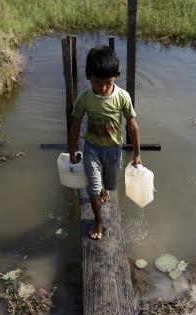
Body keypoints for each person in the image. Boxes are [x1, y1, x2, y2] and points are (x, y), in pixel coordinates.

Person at [68, 45, 142, 240]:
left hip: (113, 149)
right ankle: (98, 220)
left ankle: (103, 188)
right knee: (93, 188)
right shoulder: (84, 98)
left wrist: (137, 154)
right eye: (97, 82)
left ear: (116, 77)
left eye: (107, 83)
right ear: (87, 76)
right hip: (92, 148)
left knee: (108, 185)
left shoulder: (122, 97)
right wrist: (72, 151)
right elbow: (75, 126)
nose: (102, 88)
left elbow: (133, 126)